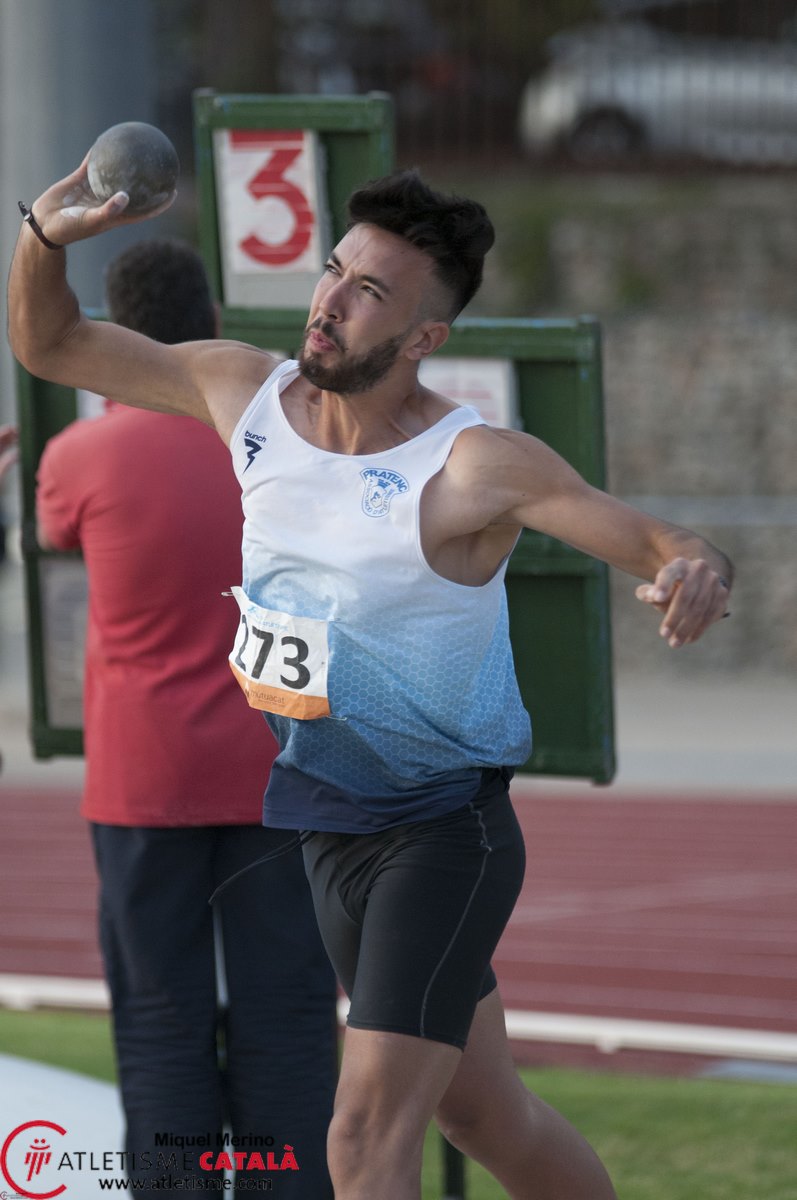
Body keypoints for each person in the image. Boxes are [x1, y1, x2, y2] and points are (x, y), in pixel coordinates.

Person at [9, 163, 734, 1200]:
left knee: (358, 1141)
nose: (330, 301)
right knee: (484, 1115)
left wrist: (693, 567)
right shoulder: (242, 392)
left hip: (440, 836)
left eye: (369, 292)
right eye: (333, 271)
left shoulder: (471, 465)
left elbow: (660, 539)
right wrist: (43, 237)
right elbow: (51, 345)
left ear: (424, 336)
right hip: (324, 826)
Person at [33, 239, 337, 1198]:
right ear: (210, 322)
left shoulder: (78, 456)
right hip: (278, 769)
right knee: (289, 1014)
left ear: (112, 338)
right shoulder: (280, 448)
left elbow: (53, 532)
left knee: (159, 1021)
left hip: (142, 781)